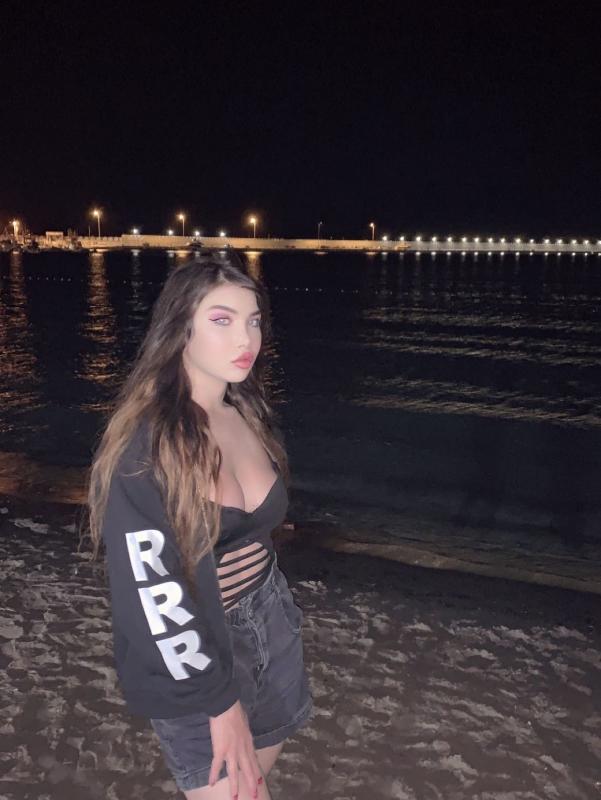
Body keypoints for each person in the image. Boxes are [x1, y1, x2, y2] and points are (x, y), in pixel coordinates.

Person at [85, 251, 313, 798]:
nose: (246, 339)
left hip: (272, 622)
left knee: (255, 783)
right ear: (180, 328)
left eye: (253, 321)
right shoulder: (149, 446)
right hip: (193, 646)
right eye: (222, 320)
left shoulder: (246, 412)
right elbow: (153, 592)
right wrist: (219, 701)